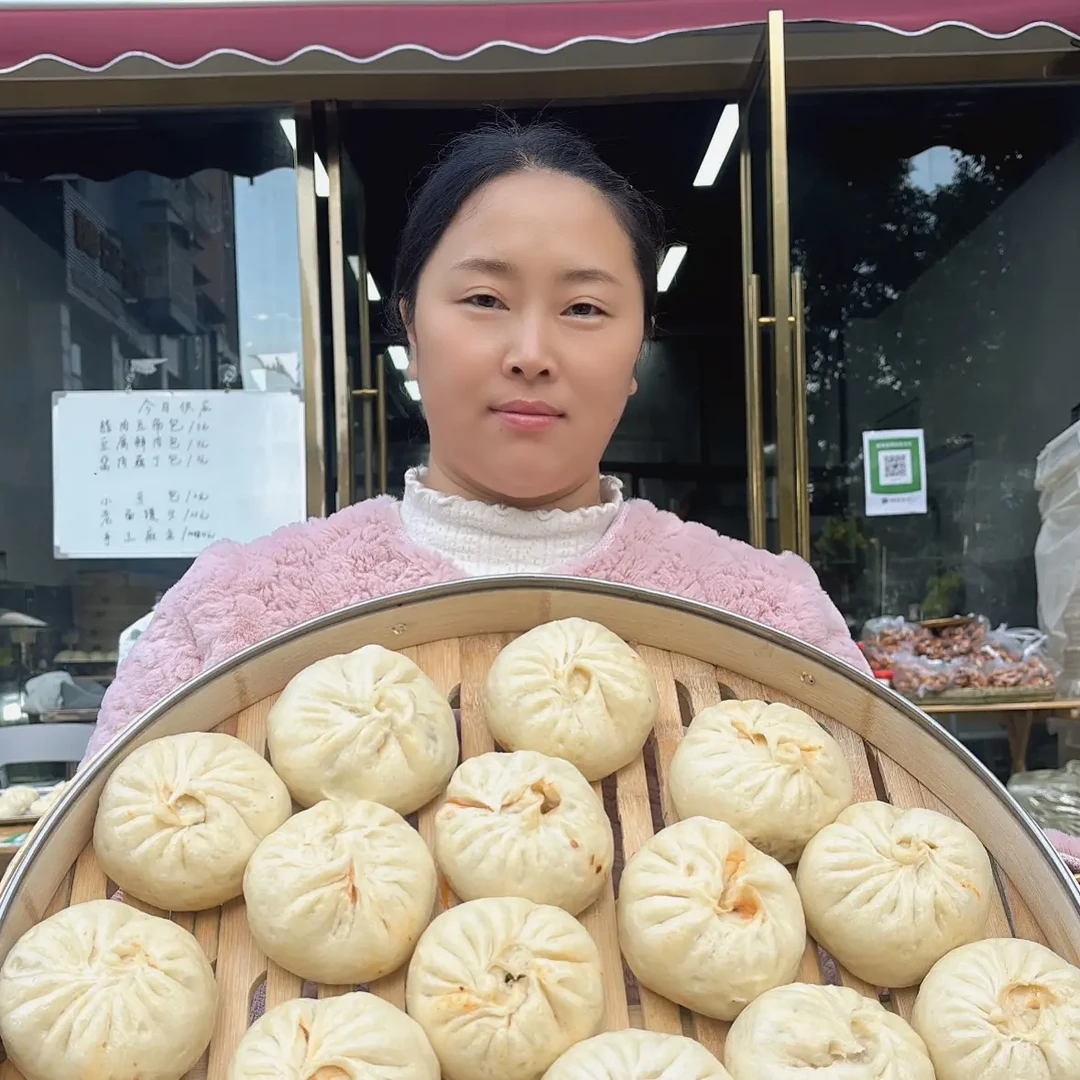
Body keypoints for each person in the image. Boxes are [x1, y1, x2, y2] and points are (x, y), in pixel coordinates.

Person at [83, 119, 866, 766]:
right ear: (412, 334)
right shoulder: (233, 618)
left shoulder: (770, 621)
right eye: (485, 299)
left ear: (638, 351)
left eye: (585, 308)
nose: (531, 351)